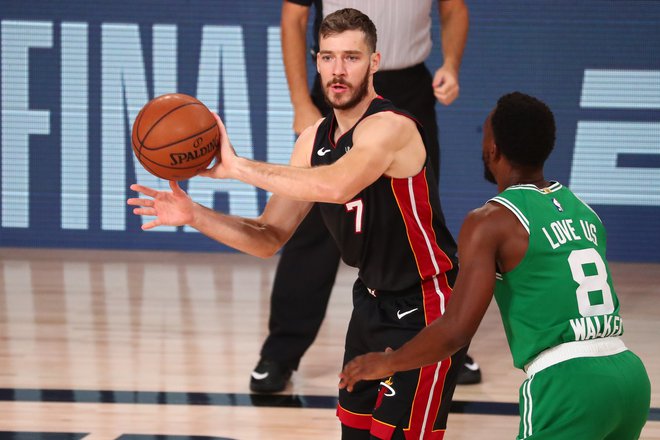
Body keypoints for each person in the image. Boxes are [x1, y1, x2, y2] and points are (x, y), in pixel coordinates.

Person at [128, 8, 467, 439]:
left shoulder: (391, 127)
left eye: (351, 57)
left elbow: (338, 184)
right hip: (370, 303)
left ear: (375, 63)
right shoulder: (312, 141)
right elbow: (269, 237)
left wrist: (237, 168)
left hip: (426, 307)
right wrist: (196, 215)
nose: (337, 71)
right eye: (327, 58)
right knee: (356, 432)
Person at [339, 92, 652, 439]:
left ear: (494, 150)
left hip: (568, 383)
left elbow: (456, 330)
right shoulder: (584, 211)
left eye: (485, 135)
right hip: (629, 376)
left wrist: (388, 363)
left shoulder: (490, 221)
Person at [251, 0, 477, 394]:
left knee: (419, 219)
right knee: (310, 227)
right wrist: (301, 102)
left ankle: (445, 338)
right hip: (341, 81)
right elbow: (294, 17)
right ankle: (281, 352)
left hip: (408, 83)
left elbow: (454, 9)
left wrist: (452, 64)